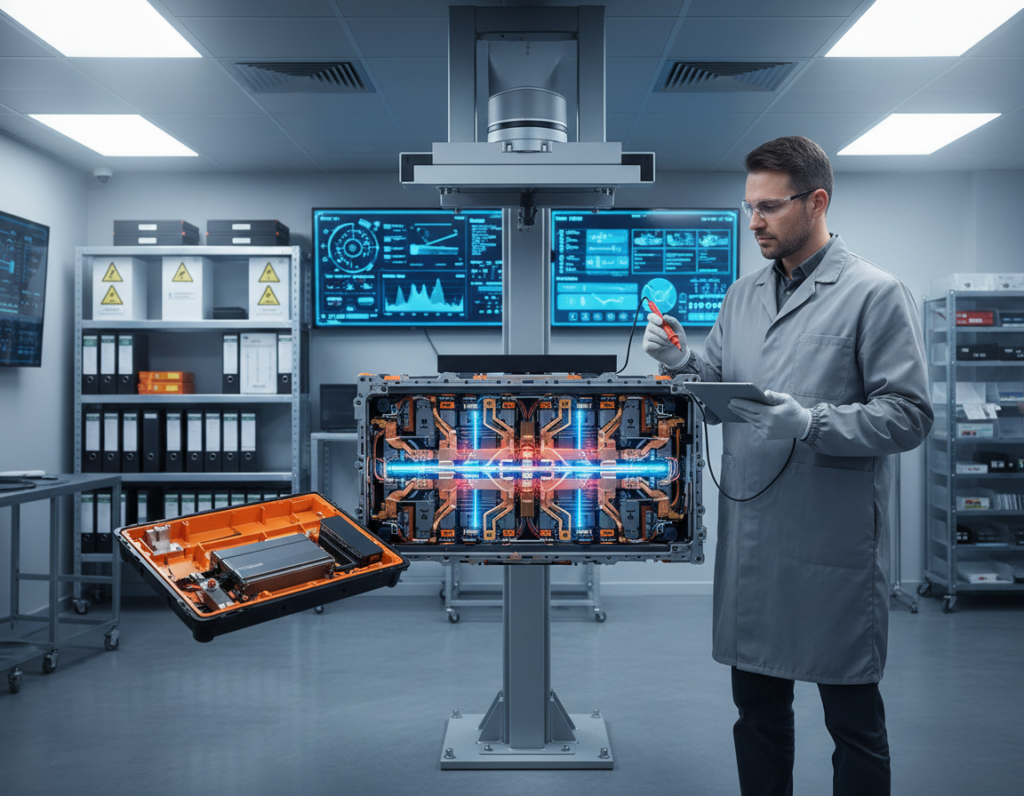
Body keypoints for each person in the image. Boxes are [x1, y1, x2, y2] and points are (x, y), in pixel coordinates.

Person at [643, 136, 933, 796]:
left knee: (853, 725)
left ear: (817, 201)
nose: (754, 223)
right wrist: (678, 361)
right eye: (749, 208)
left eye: (769, 207)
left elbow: (909, 416)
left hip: (831, 547)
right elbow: (717, 390)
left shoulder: (876, 294)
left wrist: (813, 422)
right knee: (758, 716)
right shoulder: (742, 296)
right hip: (755, 544)